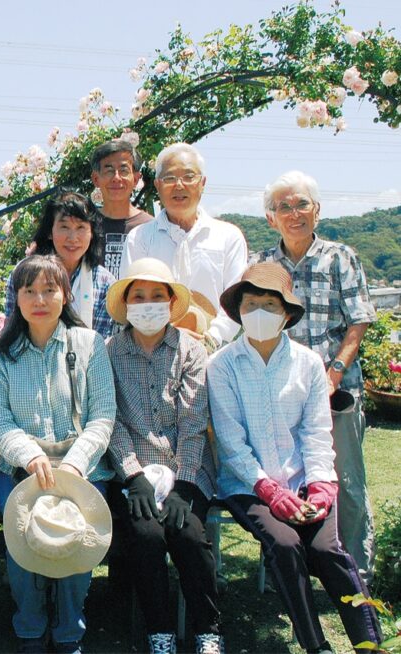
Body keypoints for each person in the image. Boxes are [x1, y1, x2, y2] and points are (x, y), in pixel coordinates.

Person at [208, 263, 382, 654]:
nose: (259, 313)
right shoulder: (221, 366)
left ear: (287, 313)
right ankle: (315, 644)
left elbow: (316, 433)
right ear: (238, 311)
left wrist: (320, 485)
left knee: (327, 550)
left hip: (304, 480)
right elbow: (232, 443)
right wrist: (269, 489)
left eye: (270, 305)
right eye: (251, 304)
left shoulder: (307, 364)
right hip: (248, 484)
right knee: (285, 544)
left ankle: (370, 642)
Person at [0, 254, 116, 653]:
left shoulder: (89, 345)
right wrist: (28, 456)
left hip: (83, 467)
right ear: (17, 299)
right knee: (22, 534)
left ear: (66, 295)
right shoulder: (3, 354)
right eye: (29, 291)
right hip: (21, 468)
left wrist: (75, 462)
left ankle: (68, 629)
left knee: (80, 535)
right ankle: (29, 626)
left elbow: (103, 414)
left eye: (49, 289)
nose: (39, 299)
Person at [252, 170, 377, 582]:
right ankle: (292, 570)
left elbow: (358, 321)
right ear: (271, 217)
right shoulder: (264, 265)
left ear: (317, 210)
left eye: (301, 203)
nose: (294, 213)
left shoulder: (340, 257)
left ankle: (355, 573)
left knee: (346, 483)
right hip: (283, 393)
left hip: (335, 392)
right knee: (287, 479)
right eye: (283, 206)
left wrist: (335, 372)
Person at [104, 258, 222, 654]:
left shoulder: (191, 350)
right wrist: (133, 475)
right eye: (139, 296)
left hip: (186, 472)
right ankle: (161, 632)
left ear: (172, 302)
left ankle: (208, 630)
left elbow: (193, 421)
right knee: (146, 536)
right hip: (132, 476)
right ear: (127, 304)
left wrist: (183, 485)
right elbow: (110, 418)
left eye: (158, 295)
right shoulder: (108, 352)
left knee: (188, 535)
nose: (148, 303)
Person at [120, 142, 247, 349]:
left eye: (189, 177)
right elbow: (131, 301)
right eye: (170, 178)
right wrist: (163, 338)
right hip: (152, 352)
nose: (179, 185)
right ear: (158, 184)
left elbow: (237, 300)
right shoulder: (139, 238)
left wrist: (210, 339)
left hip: (214, 354)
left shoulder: (228, 237)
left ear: (202, 183)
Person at [4, 189, 116, 339]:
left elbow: (101, 344)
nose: (73, 238)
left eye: (80, 228)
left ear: (92, 233)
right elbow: (12, 332)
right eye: (64, 227)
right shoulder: (23, 273)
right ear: (50, 231)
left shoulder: (105, 282)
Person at [88, 139, 153, 278]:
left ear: (136, 179)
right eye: (108, 170)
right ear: (95, 179)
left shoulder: (151, 227)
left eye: (123, 170)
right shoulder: (84, 225)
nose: (116, 178)